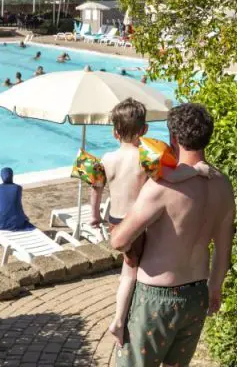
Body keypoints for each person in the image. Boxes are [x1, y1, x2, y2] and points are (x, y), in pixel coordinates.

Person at [110, 104, 235, 367]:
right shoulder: (223, 185)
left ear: (173, 138)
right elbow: (224, 251)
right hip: (197, 295)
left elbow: (119, 241)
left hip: (156, 298)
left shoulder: (162, 186)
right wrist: (215, 289)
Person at [88, 99, 210, 349]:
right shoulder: (145, 157)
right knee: (130, 275)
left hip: (114, 221)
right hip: (137, 224)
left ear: (114, 132)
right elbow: (173, 175)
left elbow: (96, 189)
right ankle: (120, 320)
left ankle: (126, 313)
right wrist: (197, 170)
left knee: (128, 268)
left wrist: (94, 216)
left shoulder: (107, 158)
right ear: (144, 131)